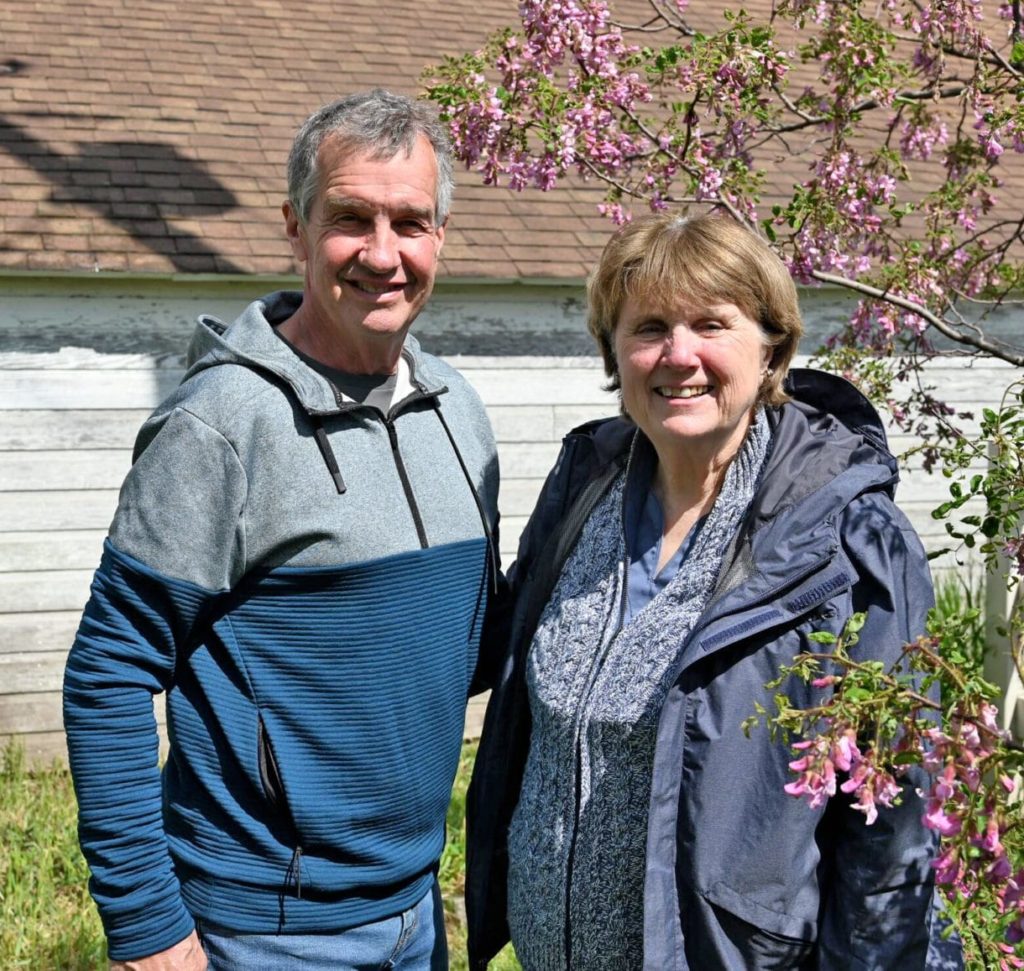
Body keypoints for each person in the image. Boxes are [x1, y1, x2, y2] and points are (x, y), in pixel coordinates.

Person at [63, 89, 499, 971]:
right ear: (295, 229)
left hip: (417, 909)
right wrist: (147, 927)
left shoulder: (459, 410)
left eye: (410, 222)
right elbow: (107, 672)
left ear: (441, 237)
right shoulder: (220, 424)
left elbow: (464, 641)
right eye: (350, 219)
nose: (384, 253)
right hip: (264, 930)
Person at [465, 212, 939, 970]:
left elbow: (892, 827)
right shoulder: (585, 486)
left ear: (771, 344)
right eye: (649, 326)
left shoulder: (847, 537)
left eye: (710, 324)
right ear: (613, 351)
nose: (677, 354)